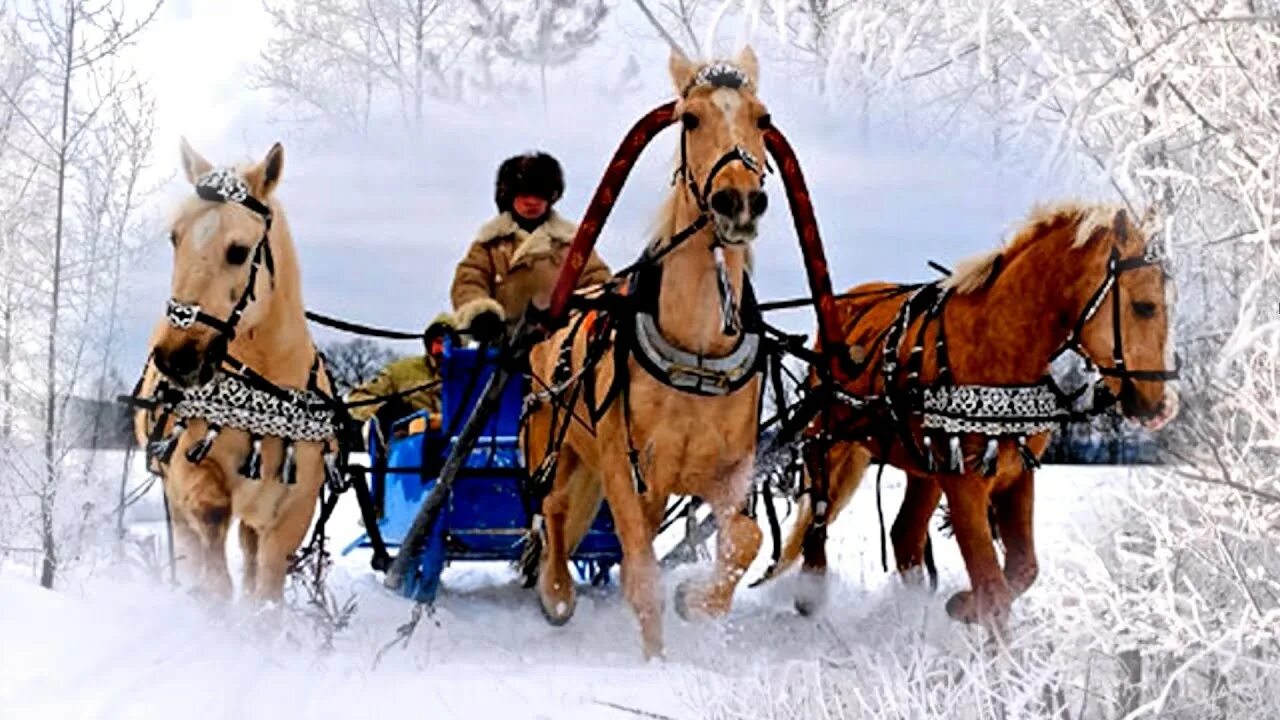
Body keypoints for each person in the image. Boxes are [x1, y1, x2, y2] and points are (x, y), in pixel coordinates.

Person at [451, 152, 612, 342]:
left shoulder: (573, 245)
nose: (532, 202)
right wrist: (480, 314)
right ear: (509, 196)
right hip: (504, 349)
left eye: (540, 194)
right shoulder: (490, 245)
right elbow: (469, 282)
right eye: (525, 194)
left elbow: (597, 282)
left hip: (562, 349)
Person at [347, 313, 458, 437]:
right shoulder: (401, 372)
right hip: (411, 444)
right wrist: (385, 411)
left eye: (447, 343)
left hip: (464, 444)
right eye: (437, 342)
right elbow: (357, 398)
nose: (440, 350)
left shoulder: (473, 375)